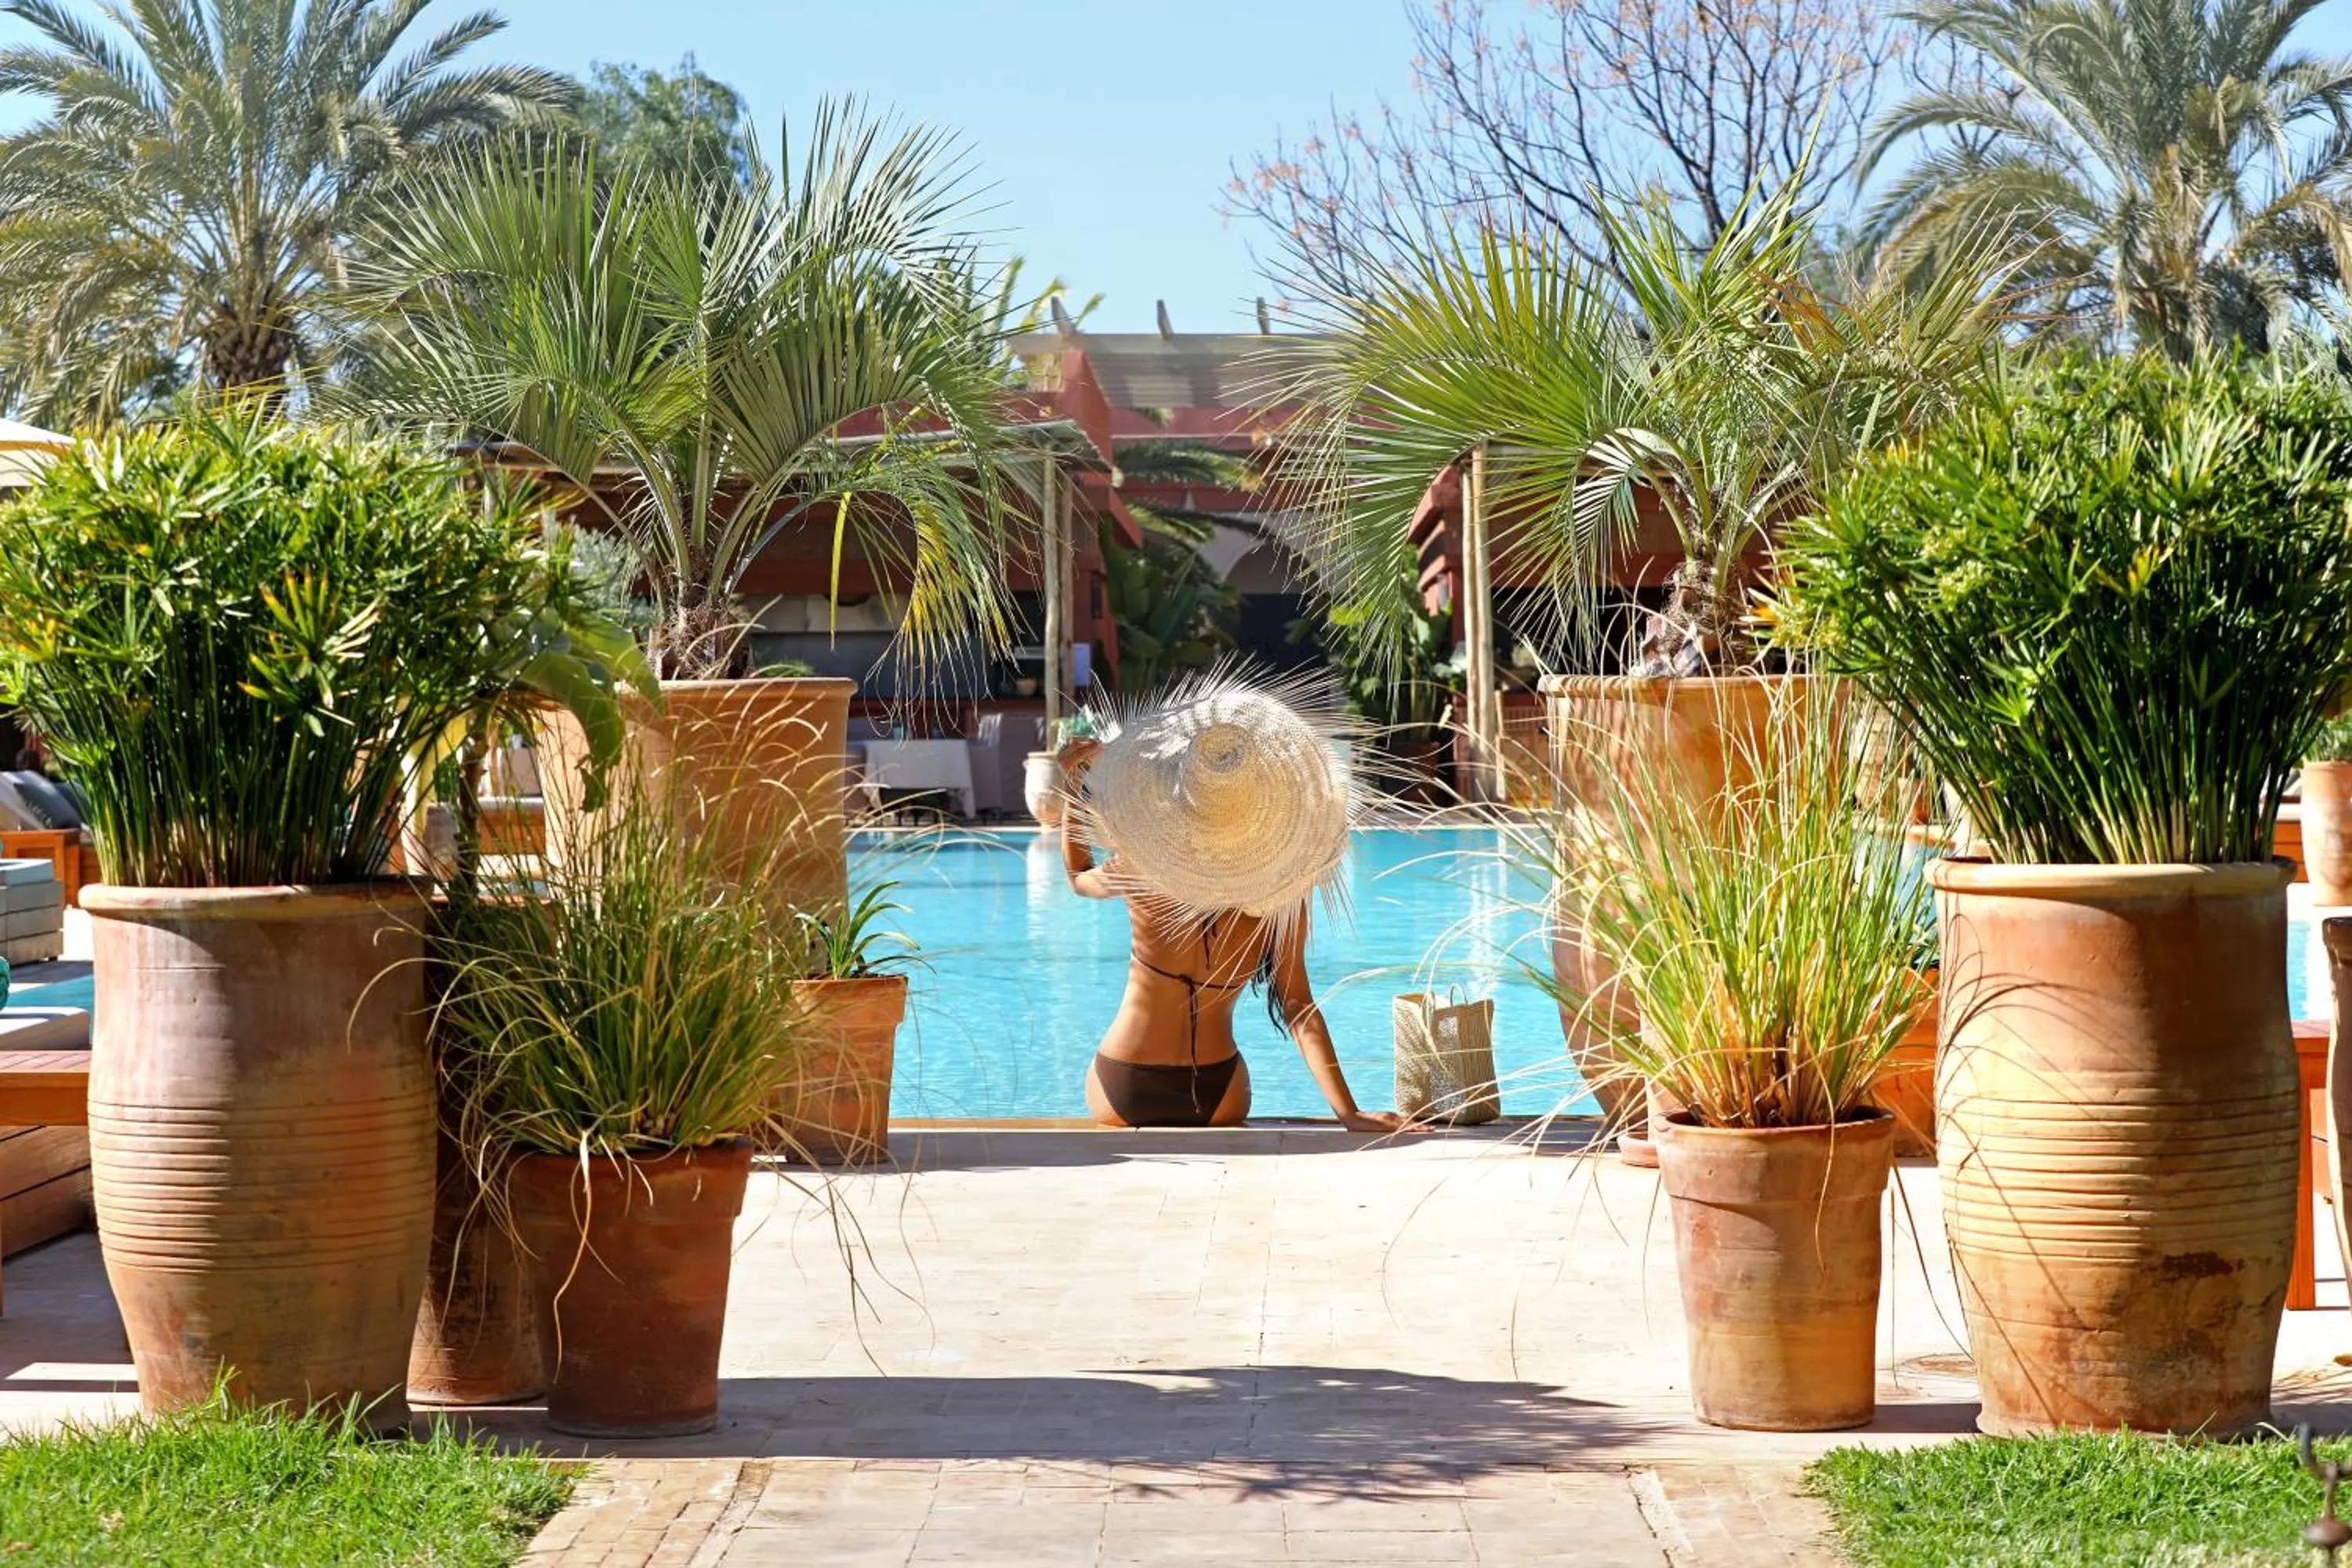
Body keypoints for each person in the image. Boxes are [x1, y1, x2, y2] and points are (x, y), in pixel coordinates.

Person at [1053, 676, 1411, 1134]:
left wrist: (1073, 786)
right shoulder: (1281, 893)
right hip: (1219, 1094)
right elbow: (1298, 1006)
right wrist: (1349, 1113)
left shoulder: (1144, 866)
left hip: (1124, 1082)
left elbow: (1078, 879)